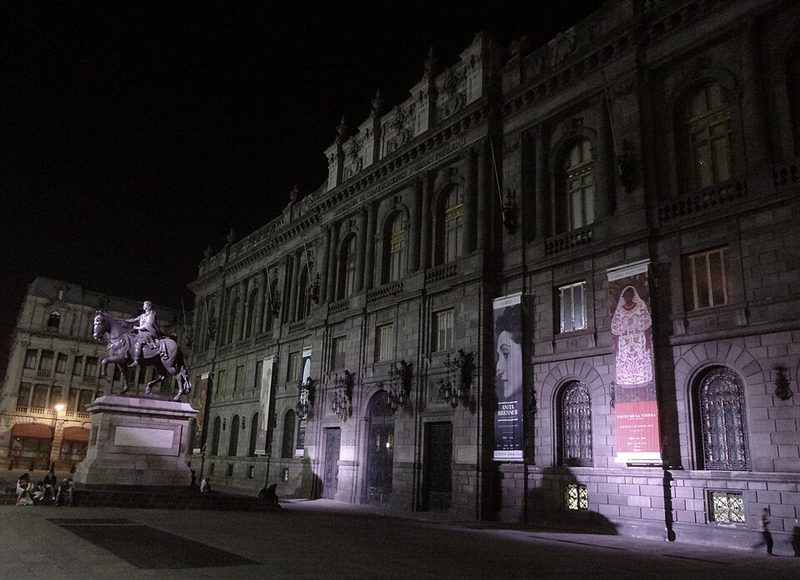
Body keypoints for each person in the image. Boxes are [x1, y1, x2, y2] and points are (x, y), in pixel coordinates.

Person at [125, 300, 162, 368]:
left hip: (148, 332)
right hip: (142, 332)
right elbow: (134, 320)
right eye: (143, 305)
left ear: (148, 307)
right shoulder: (143, 315)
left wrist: (137, 328)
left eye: (144, 305)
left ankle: (136, 361)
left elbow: (147, 326)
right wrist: (124, 320)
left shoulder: (151, 315)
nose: (143, 306)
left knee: (138, 343)